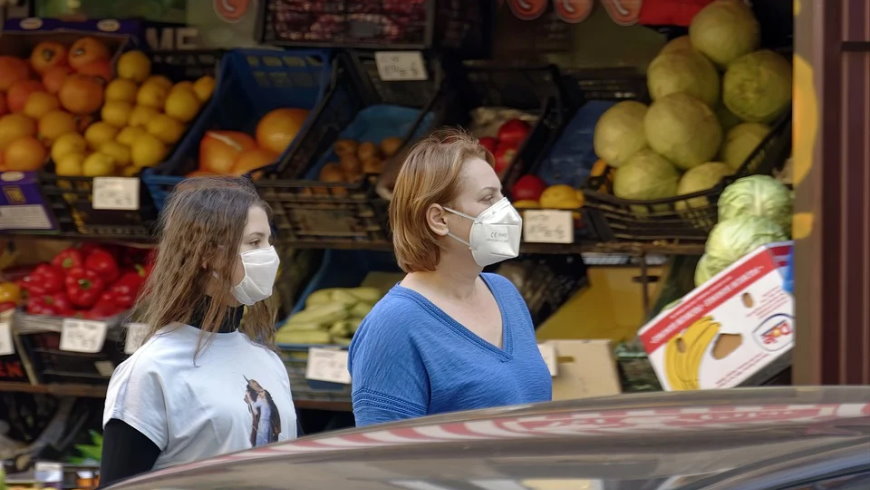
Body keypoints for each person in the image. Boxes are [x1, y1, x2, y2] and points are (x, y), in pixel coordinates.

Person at [349, 129, 552, 427]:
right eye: (488, 198)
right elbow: (386, 461)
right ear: (439, 219)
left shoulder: (504, 293)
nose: (506, 211)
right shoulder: (393, 327)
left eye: (502, 195)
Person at [100, 177, 296, 486]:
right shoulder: (152, 370)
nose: (269, 255)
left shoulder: (268, 362)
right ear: (208, 255)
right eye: (255, 242)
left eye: (269, 242)